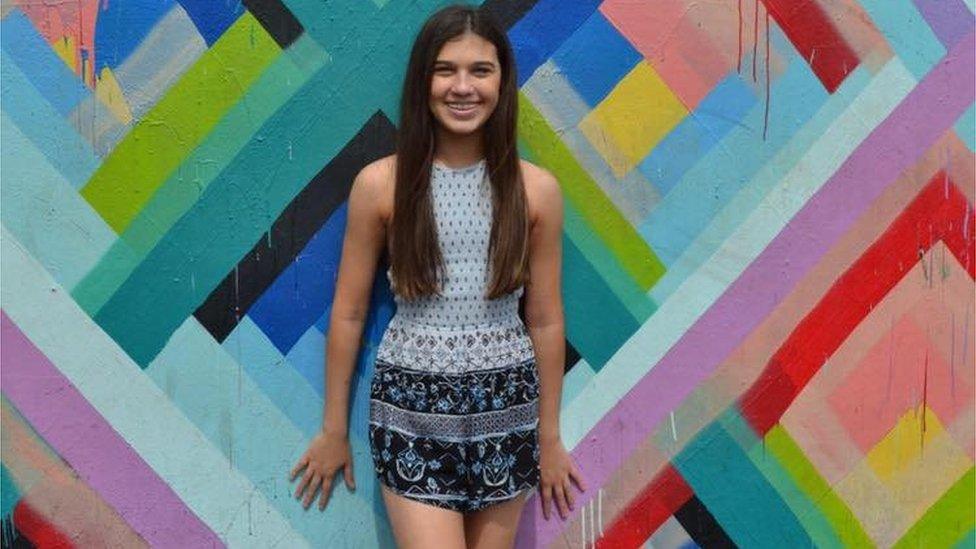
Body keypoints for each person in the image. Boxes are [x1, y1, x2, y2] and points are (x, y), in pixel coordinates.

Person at [289, 4, 586, 547]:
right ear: (422, 79)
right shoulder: (380, 185)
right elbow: (350, 312)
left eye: (480, 70)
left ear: (503, 81)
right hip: (411, 413)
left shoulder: (536, 190)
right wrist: (334, 428)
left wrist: (549, 436)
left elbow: (544, 319)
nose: (462, 87)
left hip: (506, 410)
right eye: (445, 69)